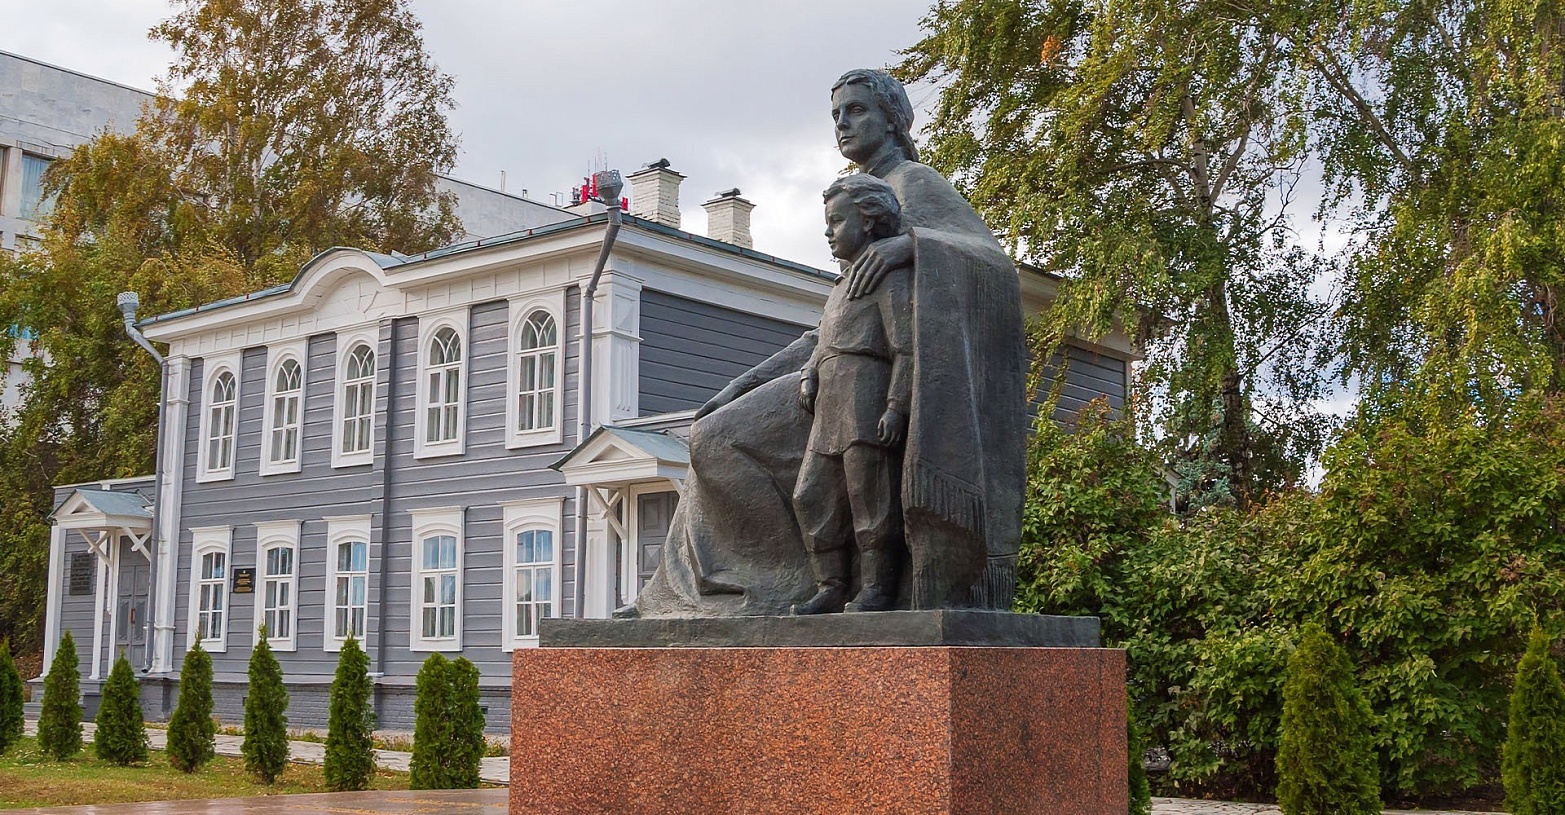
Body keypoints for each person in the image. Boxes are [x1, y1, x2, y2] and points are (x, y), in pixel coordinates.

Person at [624, 69, 1024, 617]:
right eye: (836, 115)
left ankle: (759, 589)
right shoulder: (852, 197)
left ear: (893, 118)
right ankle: (685, 593)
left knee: (718, 439)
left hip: (873, 384)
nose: (842, 124)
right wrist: (742, 384)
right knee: (713, 429)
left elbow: (994, 267)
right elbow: (832, 323)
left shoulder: (914, 182)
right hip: (830, 372)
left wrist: (912, 245)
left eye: (856, 110)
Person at [792, 174, 912, 615]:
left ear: (869, 221)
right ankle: (831, 585)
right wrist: (809, 372)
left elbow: (905, 348)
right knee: (810, 495)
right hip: (829, 402)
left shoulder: (886, 277)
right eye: (827, 223)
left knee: (870, 498)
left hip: (865, 395)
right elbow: (824, 341)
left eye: (837, 221)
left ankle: (877, 588)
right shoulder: (839, 287)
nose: (828, 232)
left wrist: (896, 406)